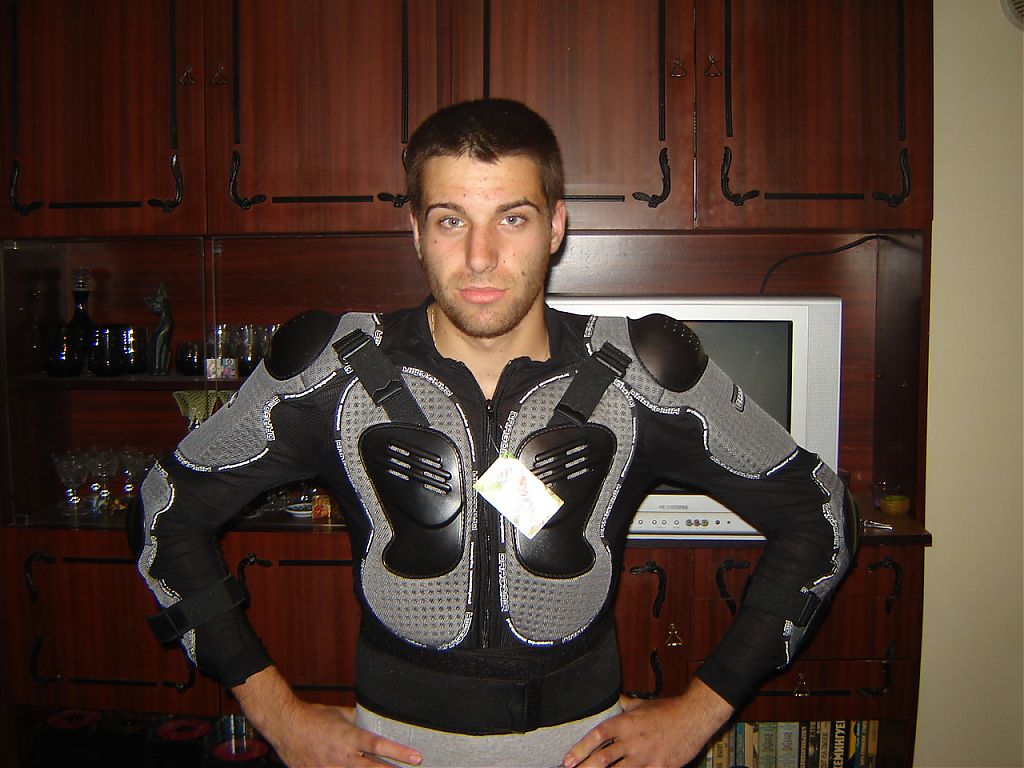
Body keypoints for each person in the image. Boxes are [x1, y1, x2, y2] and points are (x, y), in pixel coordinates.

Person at [134, 98, 856, 768]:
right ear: (415, 231)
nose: (480, 257)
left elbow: (820, 514)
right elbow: (165, 510)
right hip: (392, 750)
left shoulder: (639, 373)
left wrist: (702, 712)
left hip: (582, 750)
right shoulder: (333, 372)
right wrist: (277, 714)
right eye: (451, 220)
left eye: (513, 218)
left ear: (557, 226)